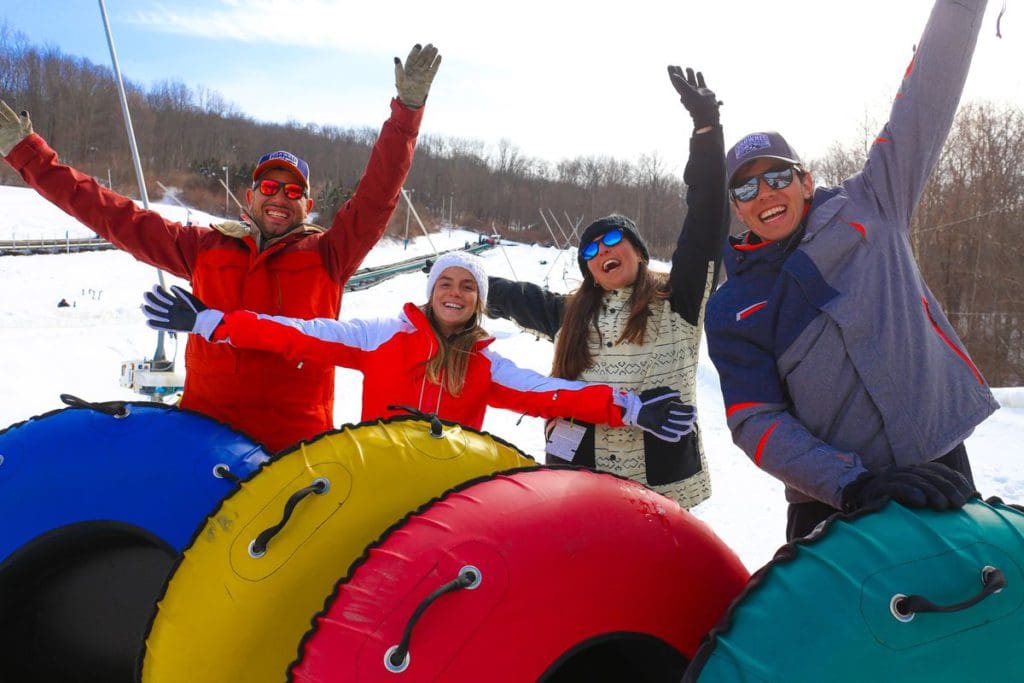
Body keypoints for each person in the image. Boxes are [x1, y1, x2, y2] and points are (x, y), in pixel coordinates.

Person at [0, 44, 442, 452]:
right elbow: (113, 216)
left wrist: (406, 114)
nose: (279, 198)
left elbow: (379, 193)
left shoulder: (331, 254)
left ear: (307, 206)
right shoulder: (203, 247)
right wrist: (29, 154)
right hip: (204, 439)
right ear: (250, 197)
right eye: (270, 186)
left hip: (294, 446)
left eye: (293, 193)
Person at [704, 0, 995, 541]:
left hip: (937, 467)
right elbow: (755, 420)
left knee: (967, 609)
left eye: (777, 176)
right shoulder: (729, 308)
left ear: (806, 181)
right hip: (831, 502)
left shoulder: (874, 204)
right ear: (738, 210)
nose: (764, 192)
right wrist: (851, 484)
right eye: (745, 188)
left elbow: (924, 102)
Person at [484, 67, 729, 509]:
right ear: (589, 272)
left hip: (659, 483)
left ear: (638, 251)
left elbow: (707, 218)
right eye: (591, 250)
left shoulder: (678, 302)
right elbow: (514, 298)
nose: (602, 251)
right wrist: (465, 281)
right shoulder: (572, 313)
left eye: (613, 239)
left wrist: (707, 130)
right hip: (580, 477)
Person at [141, 252, 697, 441]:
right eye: (446, 284)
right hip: (374, 478)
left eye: (467, 287)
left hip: (444, 493)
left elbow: (548, 394)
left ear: (478, 302)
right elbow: (295, 334)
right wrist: (212, 321)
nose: (455, 294)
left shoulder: (485, 365)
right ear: (431, 293)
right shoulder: (381, 338)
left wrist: (630, 407)